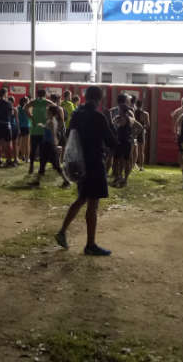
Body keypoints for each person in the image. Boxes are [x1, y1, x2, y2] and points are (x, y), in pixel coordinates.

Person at [56, 85, 118, 255]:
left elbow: (68, 135)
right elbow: (112, 141)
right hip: (95, 163)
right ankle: (90, 245)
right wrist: (111, 122)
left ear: (86, 97)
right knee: (92, 204)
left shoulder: (77, 114)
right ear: (99, 99)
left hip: (79, 164)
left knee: (82, 197)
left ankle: (62, 231)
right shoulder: (99, 116)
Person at [41, 105, 71, 187]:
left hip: (50, 145)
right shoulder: (50, 121)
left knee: (56, 166)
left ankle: (66, 181)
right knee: (42, 163)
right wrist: (43, 126)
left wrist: (55, 144)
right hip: (47, 144)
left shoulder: (52, 121)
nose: (46, 113)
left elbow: (54, 134)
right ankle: (37, 180)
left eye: (47, 112)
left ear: (51, 113)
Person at [25, 89, 51, 175]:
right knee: (42, 150)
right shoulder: (46, 101)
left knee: (33, 149)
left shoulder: (34, 102)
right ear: (45, 95)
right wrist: (49, 118)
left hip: (34, 130)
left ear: (37, 94)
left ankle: (31, 167)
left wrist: (31, 117)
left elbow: (25, 107)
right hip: (43, 130)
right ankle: (41, 169)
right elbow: (56, 107)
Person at [110, 95, 134, 187]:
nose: (118, 110)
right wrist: (133, 135)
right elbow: (139, 127)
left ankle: (122, 179)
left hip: (123, 141)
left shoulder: (123, 118)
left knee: (122, 160)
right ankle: (121, 178)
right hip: (125, 141)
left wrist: (115, 120)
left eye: (120, 110)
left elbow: (117, 125)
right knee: (122, 160)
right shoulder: (130, 118)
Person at [0, 88, 14, 168]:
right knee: (8, 143)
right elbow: (11, 114)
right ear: (5, 94)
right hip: (6, 124)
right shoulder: (8, 103)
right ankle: (9, 160)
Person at [134, 97, 150, 171]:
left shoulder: (133, 112)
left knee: (133, 150)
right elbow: (148, 125)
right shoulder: (145, 114)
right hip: (141, 132)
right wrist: (143, 127)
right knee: (141, 151)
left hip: (134, 132)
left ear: (136, 105)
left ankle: (132, 164)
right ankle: (141, 166)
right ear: (142, 105)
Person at [17, 96, 31, 163]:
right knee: (27, 144)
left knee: (21, 143)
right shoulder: (27, 108)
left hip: (20, 126)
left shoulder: (18, 108)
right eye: (28, 101)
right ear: (25, 102)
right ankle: (27, 158)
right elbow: (30, 116)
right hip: (26, 126)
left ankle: (22, 156)